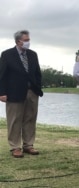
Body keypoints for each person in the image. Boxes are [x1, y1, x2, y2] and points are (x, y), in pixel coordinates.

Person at [0, 30, 43, 158]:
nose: (28, 42)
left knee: (30, 119)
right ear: (18, 41)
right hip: (14, 93)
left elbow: (37, 73)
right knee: (15, 120)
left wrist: (37, 88)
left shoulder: (33, 54)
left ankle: (28, 145)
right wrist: (2, 92)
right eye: (26, 40)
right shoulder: (7, 55)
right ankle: (15, 147)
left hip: (31, 92)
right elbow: (2, 75)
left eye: (28, 40)